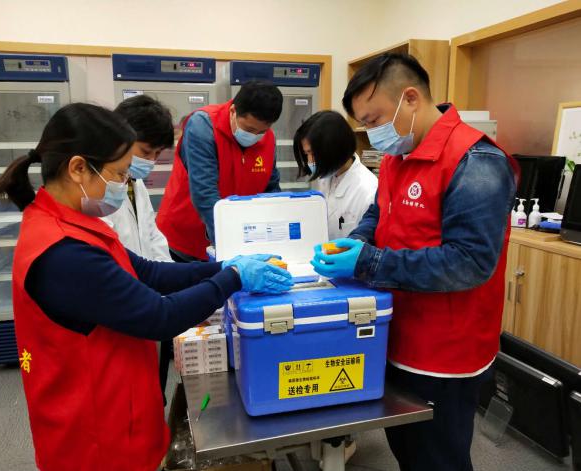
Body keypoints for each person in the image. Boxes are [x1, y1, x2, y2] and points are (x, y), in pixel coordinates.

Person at [0, 103, 292, 471]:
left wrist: (223, 266)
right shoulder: (63, 252)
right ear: (78, 168)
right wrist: (234, 278)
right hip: (95, 440)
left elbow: (148, 271)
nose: (125, 183)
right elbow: (159, 317)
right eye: (119, 173)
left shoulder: (73, 224)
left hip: (117, 407)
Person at [311, 53, 519, 471]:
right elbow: (379, 212)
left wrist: (368, 262)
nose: (373, 134)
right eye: (364, 124)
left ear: (409, 98)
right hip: (399, 332)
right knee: (407, 449)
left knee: (438, 457)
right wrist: (357, 242)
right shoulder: (397, 156)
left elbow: (469, 262)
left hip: (445, 351)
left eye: (374, 120)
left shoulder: (475, 162)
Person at [157, 80, 283, 262]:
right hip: (187, 238)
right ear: (233, 111)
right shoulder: (203, 125)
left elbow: (271, 191)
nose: (255, 136)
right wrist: (229, 248)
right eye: (249, 129)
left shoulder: (267, 138)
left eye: (262, 131)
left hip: (240, 240)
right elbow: (205, 193)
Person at [102, 94, 174, 261]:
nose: (151, 160)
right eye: (146, 152)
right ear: (120, 137)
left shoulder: (135, 182)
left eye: (157, 153)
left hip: (144, 273)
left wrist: (168, 271)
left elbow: (152, 236)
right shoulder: (97, 186)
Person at [293, 110, 378, 239]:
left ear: (335, 148)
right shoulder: (328, 176)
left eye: (313, 153)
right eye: (307, 154)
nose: (310, 161)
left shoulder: (368, 191)